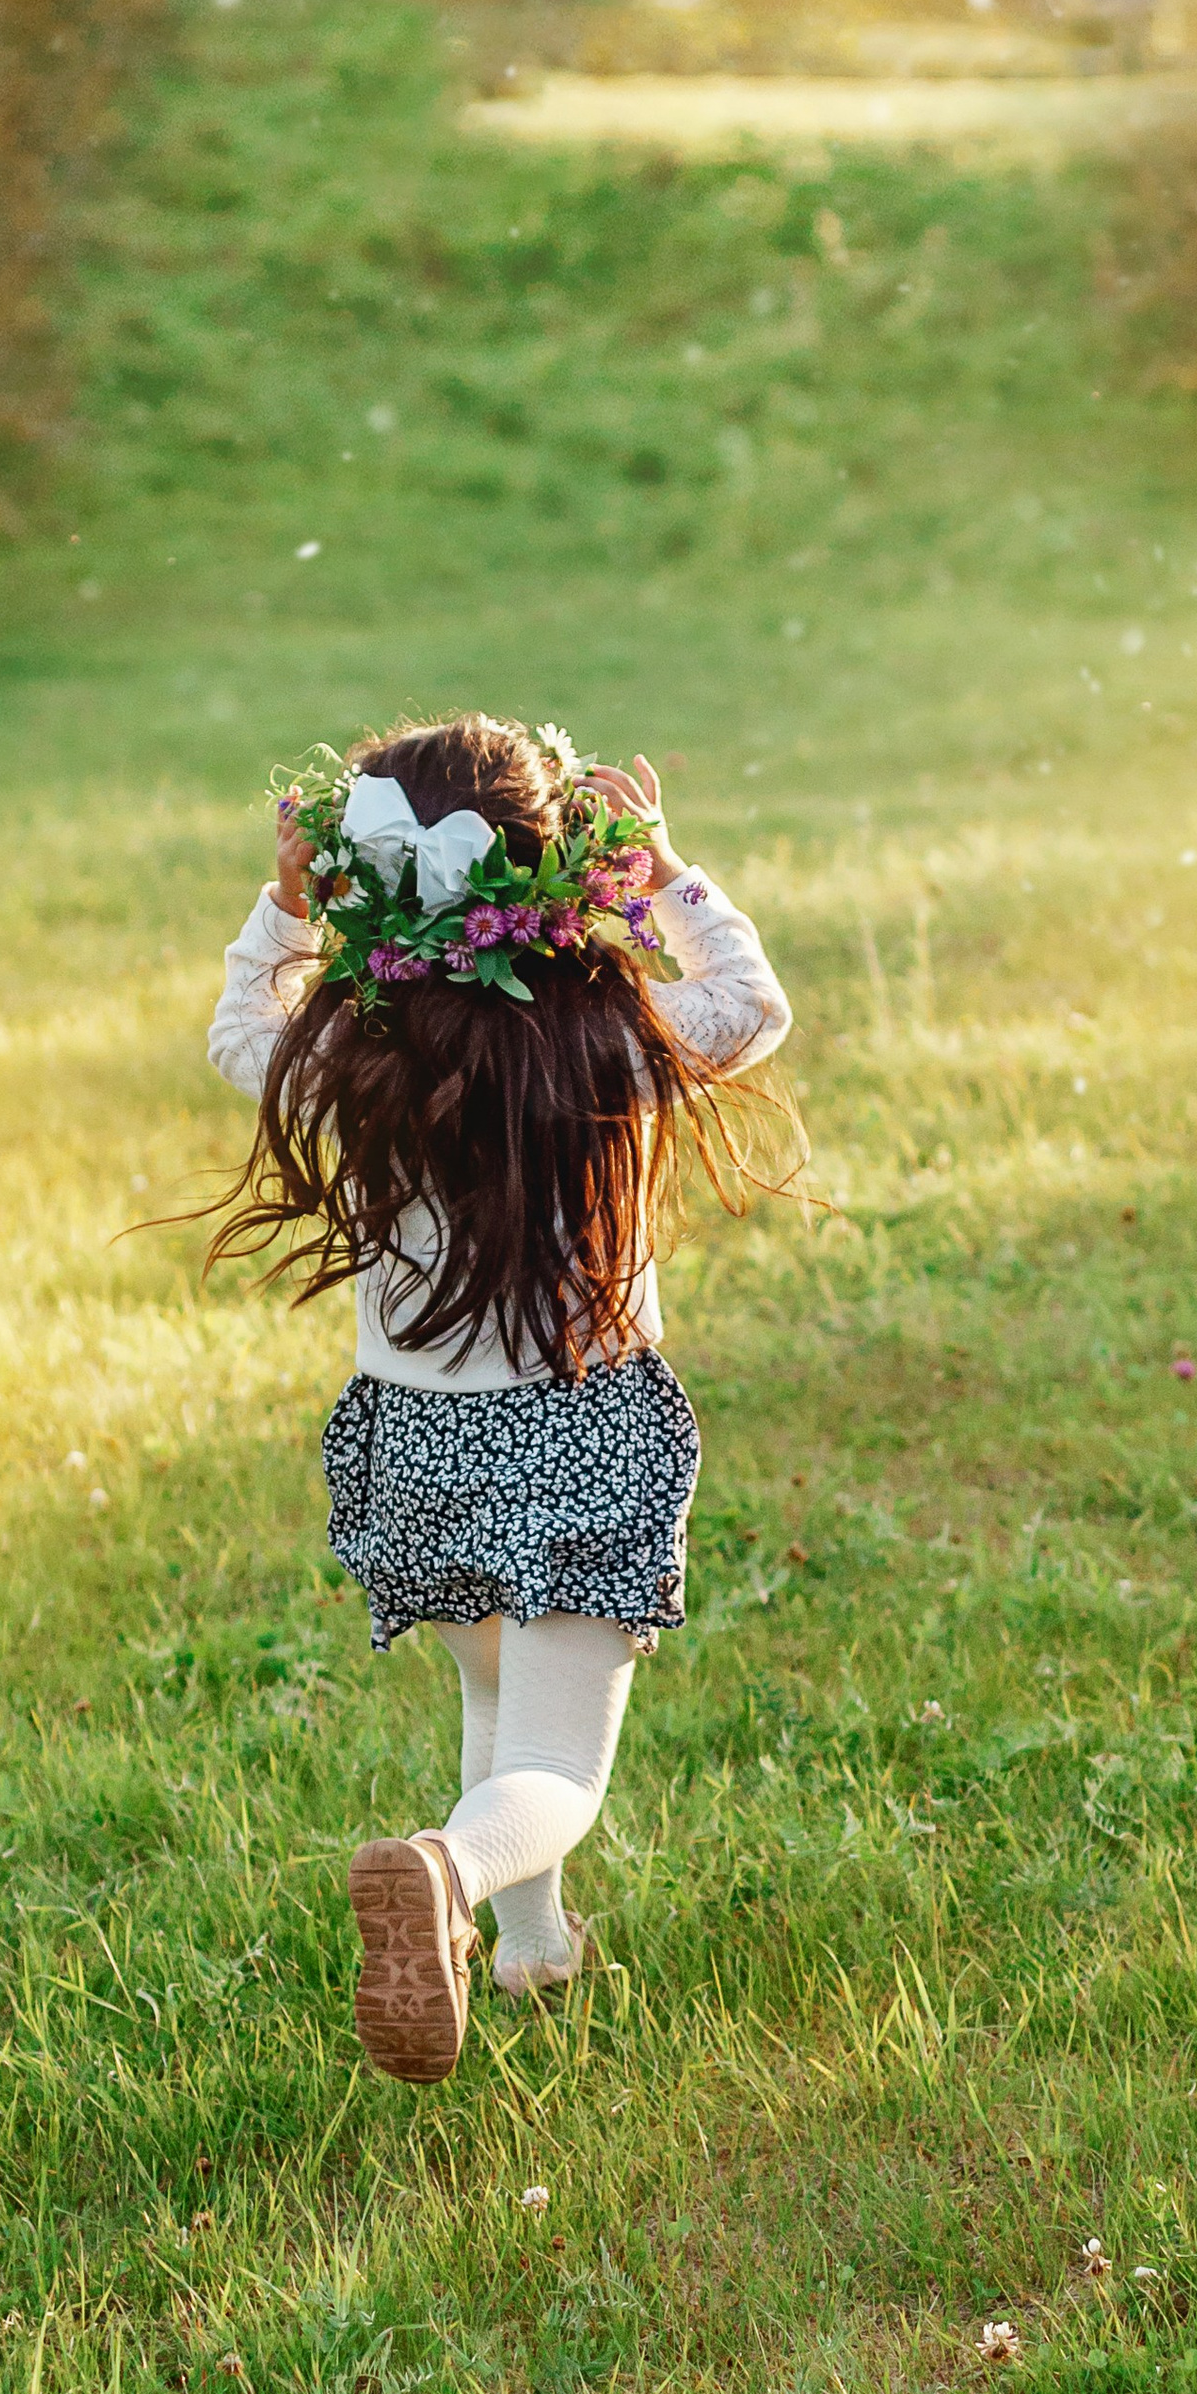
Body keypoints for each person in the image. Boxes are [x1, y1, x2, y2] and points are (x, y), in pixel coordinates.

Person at [203, 713, 792, 2084]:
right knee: (555, 1771)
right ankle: (453, 1868)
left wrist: (284, 916)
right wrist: (665, 877)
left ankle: (532, 1949)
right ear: (557, 866)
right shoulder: (612, 1045)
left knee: (494, 1690)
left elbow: (244, 1027)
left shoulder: (352, 1060)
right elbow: (752, 1010)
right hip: (572, 1427)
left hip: (412, 1437)